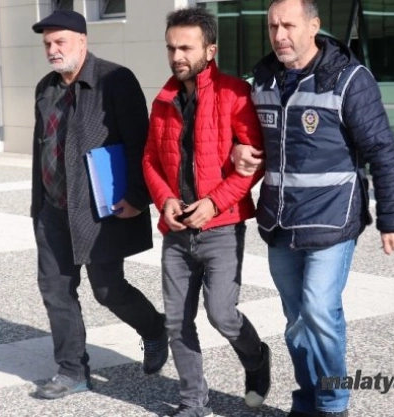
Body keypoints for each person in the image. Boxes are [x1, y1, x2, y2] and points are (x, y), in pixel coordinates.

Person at [231, 1, 394, 416]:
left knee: (319, 311)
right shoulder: (261, 80)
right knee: (296, 322)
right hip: (279, 223)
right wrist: (238, 149)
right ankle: (308, 398)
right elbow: (245, 137)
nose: (279, 35)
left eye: (288, 25)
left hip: (332, 219)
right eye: (272, 26)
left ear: (314, 26)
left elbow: (383, 151)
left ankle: (333, 404)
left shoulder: (349, 79)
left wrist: (393, 218)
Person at [29, 10, 168, 400]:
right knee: (56, 289)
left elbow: (141, 143)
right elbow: (43, 148)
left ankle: (154, 328)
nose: (53, 50)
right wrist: (38, 205)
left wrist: (138, 197)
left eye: (60, 42)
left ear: (82, 41)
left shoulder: (115, 80)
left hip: (99, 210)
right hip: (52, 209)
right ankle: (72, 370)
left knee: (108, 289)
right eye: (47, 44)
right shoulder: (45, 88)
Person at [142, 7, 271, 417]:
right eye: (171, 48)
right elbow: (150, 159)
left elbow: (253, 163)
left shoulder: (235, 94)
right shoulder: (163, 100)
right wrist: (165, 199)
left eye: (186, 48)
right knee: (176, 322)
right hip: (176, 231)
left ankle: (256, 357)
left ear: (210, 50)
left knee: (222, 314)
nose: (176, 56)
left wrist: (214, 203)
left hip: (222, 229)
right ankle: (193, 402)